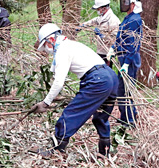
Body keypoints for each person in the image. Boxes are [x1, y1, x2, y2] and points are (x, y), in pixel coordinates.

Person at [31, 23, 119, 157]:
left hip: (97, 80)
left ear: (52, 40)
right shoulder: (72, 44)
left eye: (46, 46)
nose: (46, 50)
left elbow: (59, 81)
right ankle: (105, 152)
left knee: (71, 113)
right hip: (110, 77)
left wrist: (45, 102)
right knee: (101, 115)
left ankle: (56, 150)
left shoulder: (62, 50)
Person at [106, 0, 143, 127]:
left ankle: (129, 120)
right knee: (121, 89)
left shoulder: (135, 20)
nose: (124, 5)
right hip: (123, 57)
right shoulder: (128, 18)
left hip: (130, 60)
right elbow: (121, 37)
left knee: (125, 90)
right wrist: (113, 48)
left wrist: (126, 63)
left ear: (133, 4)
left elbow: (133, 44)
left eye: (127, 2)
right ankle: (127, 115)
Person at [80, 0, 120, 67]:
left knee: (106, 72)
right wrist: (83, 25)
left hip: (107, 53)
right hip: (100, 50)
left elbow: (115, 39)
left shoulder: (113, 20)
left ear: (104, 8)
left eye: (98, 9)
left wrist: (102, 36)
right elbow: (94, 21)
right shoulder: (102, 16)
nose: (97, 11)